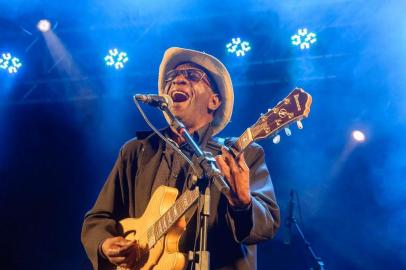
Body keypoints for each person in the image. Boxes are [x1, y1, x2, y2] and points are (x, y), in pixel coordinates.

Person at [81, 47, 280, 270]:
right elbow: (98, 217)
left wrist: (243, 205)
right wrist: (105, 244)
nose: (178, 81)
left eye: (192, 76)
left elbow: (267, 224)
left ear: (214, 101)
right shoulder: (137, 151)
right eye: (172, 78)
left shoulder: (241, 155)